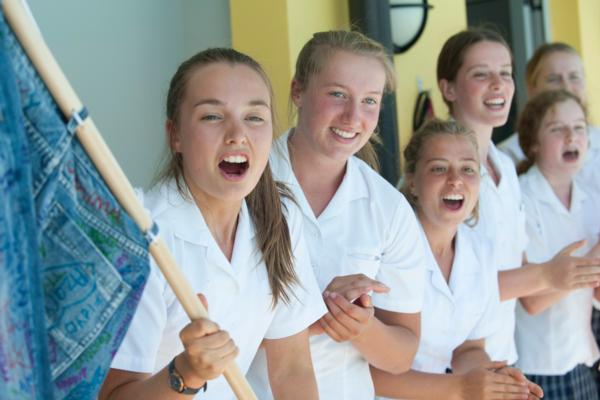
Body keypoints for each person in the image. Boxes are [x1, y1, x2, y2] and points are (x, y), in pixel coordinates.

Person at [98, 48, 326, 400]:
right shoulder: (140, 233)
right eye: (212, 117)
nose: (237, 134)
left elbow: (291, 368)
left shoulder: (281, 216)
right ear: (175, 135)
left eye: (254, 117)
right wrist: (185, 374)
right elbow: (114, 396)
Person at [247, 30, 427, 400]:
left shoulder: (389, 209)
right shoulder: (245, 185)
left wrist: (360, 327)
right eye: (337, 94)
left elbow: (402, 354)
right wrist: (315, 313)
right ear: (298, 91)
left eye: (370, 101)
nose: (353, 116)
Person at [436, 27, 600, 368]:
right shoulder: (436, 174)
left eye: (505, 73)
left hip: (503, 358)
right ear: (447, 88)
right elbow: (446, 289)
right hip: (449, 368)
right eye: (481, 74)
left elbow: (515, 266)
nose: (498, 85)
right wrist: (550, 275)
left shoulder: (505, 169)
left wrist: (574, 271)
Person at [372, 118, 543, 400]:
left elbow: (467, 348)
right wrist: (464, 389)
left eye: (468, 169)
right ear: (412, 181)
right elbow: (370, 369)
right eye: (439, 168)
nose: (456, 180)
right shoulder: (385, 247)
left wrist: (494, 377)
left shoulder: (480, 250)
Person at [515, 89, 600, 399]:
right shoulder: (521, 198)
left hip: (582, 361)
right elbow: (532, 301)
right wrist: (595, 257)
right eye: (557, 129)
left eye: (579, 127)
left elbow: (594, 295)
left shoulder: (591, 200)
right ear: (533, 143)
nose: (571, 136)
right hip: (539, 368)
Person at [498, 42, 600, 166]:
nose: (566, 88)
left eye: (574, 77)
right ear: (532, 88)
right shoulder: (507, 155)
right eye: (553, 79)